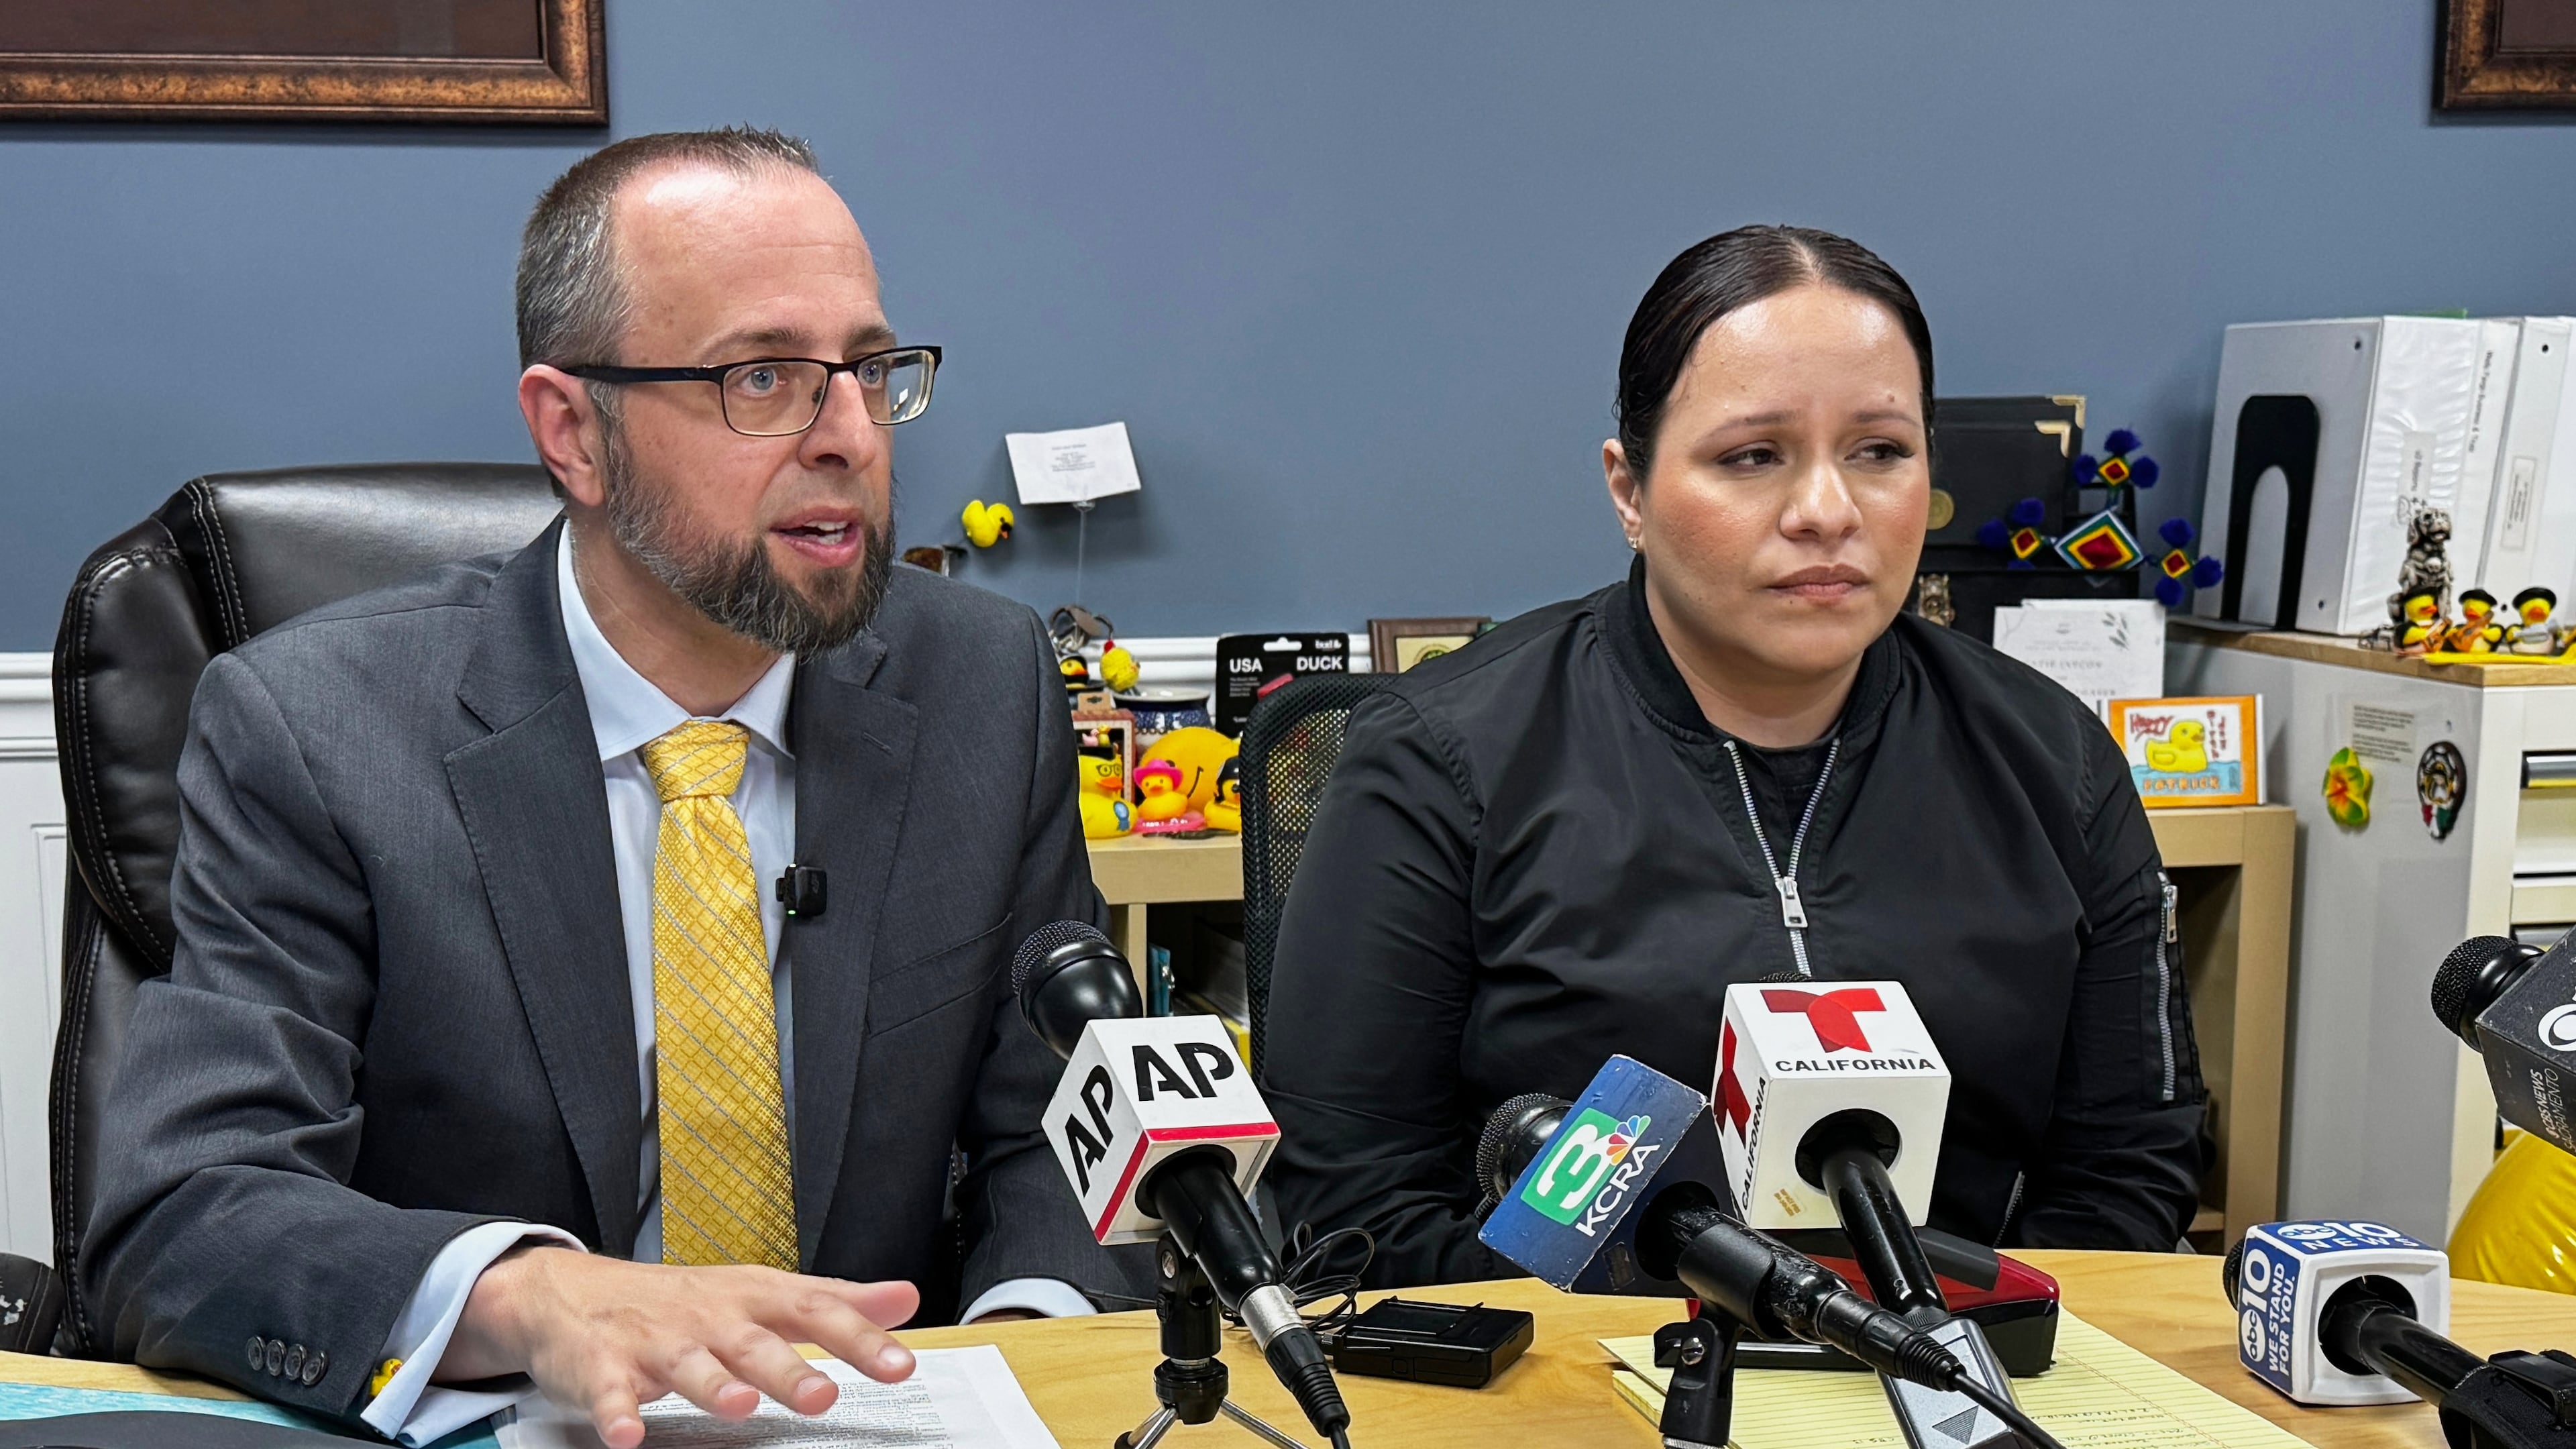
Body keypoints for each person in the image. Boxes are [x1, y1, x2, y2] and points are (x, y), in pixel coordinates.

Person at [83, 129, 1144, 1447]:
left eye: (871, 370)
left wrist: (1026, 1363)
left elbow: (1063, 1124)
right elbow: (184, 1210)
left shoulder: (986, 685)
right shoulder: (317, 728)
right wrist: (527, 1297)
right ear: (572, 430)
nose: (854, 437)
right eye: (765, 378)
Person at [1263, 225, 2204, 1288]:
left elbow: (2130, 1170)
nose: (1826, 512)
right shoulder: (1443, 759)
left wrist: (1980, 1342)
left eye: (1880, 451)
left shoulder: (2054, 759)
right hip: (1582, 1383)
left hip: (1961, 1376)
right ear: (1630, 488)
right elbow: (1352, 1208)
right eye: (1752, 456)